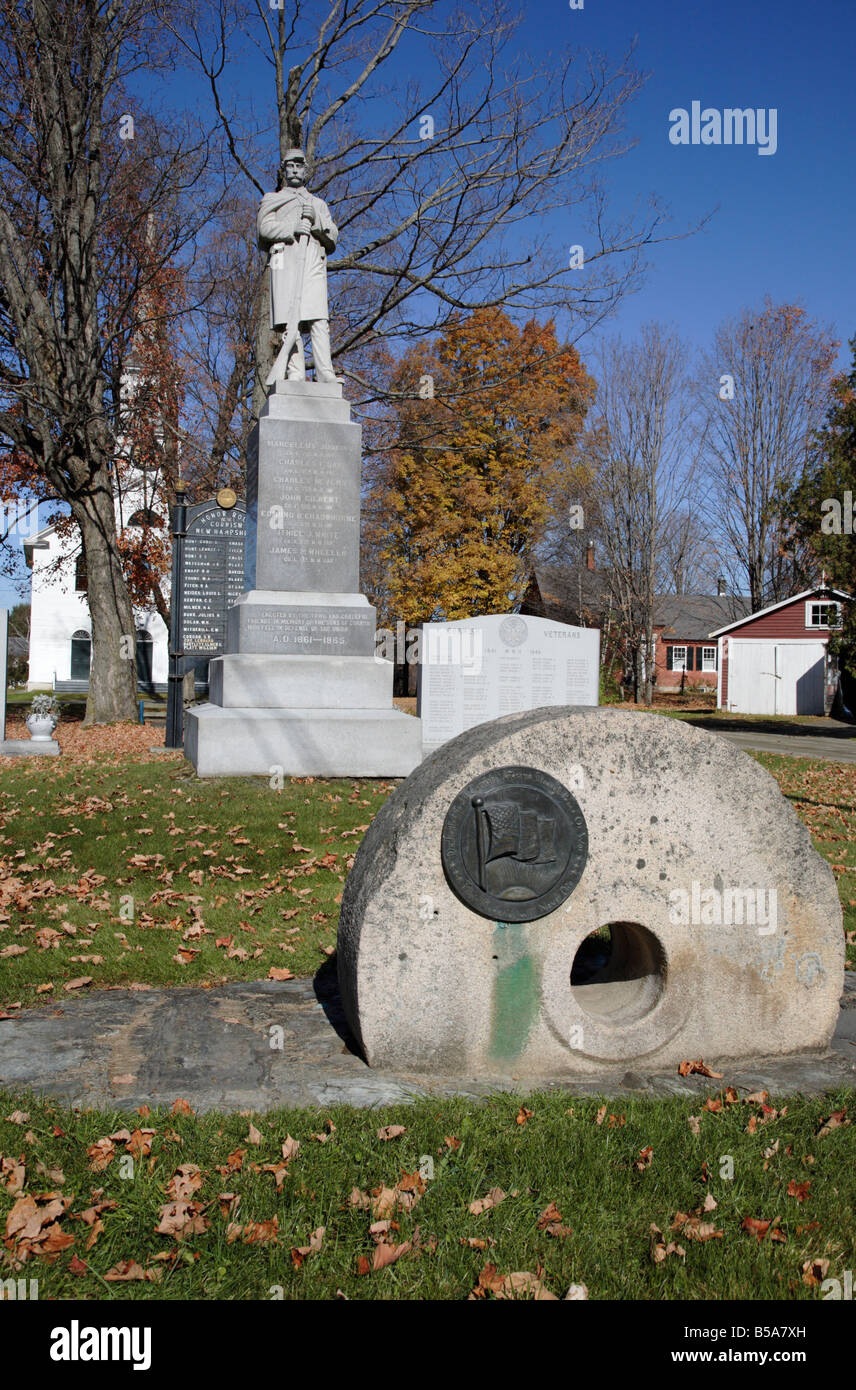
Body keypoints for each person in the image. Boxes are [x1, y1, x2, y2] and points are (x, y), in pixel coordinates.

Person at [257, 149, 338, 384]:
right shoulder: (272, 199)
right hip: (283, 261)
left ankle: (325, 373)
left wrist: (317, 222)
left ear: (305, 171)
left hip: (312, 260)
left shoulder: (318, 204)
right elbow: (264, 229)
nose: (294, 170)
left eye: (299, 167)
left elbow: (333, 235)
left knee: (318, 318)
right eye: (290, 166)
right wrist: (292, 228)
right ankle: (295, 373)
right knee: (288, 320)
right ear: (284, 170)